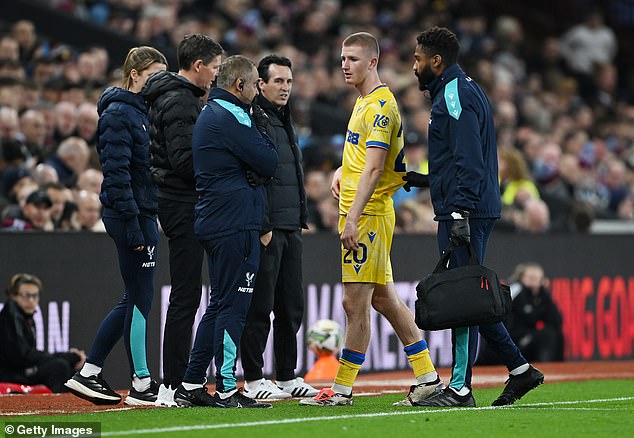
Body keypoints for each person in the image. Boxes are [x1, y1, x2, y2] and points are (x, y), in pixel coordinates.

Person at [300, 32, 442, 407]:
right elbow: (362, 158)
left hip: (369, 213)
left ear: (372, 62)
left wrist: (353, 218)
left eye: (352, 59)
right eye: (342, 59)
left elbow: (376, 168)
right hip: (367, 211)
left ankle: (342, 390)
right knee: (384, 299)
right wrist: (342, 171)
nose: (344, 65)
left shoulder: (380, 107)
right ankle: (428, 377)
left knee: (354, 302)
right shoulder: (364, 101)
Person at [405, 27, 543, 407]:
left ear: (436, 60)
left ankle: (461, 387)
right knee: (470, 297)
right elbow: (459, 160)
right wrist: (422, 179)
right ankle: (519, 370)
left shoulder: (453, 94)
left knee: (462, 298)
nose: (414, 67)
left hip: (464, 210)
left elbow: (469, 159)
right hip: (466, 204)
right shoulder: (460, 89)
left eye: (418, 59)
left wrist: (460, 209)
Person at [64, 46, 167, 406]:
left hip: (140, 212)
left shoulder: (141, 111)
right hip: (130, 215)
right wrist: (135, 225)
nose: (158, 83)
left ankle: (90, 372)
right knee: (141, 299)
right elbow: (118, 174)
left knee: (133, 298)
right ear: (135, 74)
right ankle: (141, 382)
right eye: (153, 75)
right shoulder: (120, 113)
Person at [173, 55, 278, 408]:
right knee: (234, 304)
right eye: (254, 86)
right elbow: (268, 160)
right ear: (240, 86)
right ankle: (229, 386)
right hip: (234, 222)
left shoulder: (212, 113)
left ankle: (190, 383)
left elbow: (258, 165)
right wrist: (259, 136)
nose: (257, 93)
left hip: (219, 218)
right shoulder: (231, 114)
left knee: (219, 304)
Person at [141, 34, 223, 407]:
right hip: (180, 201)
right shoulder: (178, 100)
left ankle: (181, 381)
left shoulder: (180, 97)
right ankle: (171, 383)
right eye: (215, 69)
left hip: (181, 200)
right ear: (198, 66)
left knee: (189, 293)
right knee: (186, 293)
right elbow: (183, 161)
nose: (216, 77)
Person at [240, 55, 318, 400]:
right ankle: (254, 379)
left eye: (288, 82)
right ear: (261, 84)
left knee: (291, 305)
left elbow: (291, 174)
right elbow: (253, 175)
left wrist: (301, 216)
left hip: (291, 226)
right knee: (260, 305)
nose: (285, 88)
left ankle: (287, 376)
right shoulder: (254, 118)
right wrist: (263, 223)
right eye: (278, 82)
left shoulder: (285, 119)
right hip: (268, 227)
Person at [0, 273, 86, 393]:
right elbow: (22, 355)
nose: (31, 300)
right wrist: (65, 357)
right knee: (59, 367)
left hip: (23, 369)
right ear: (13, 296)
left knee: (69, 368)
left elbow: (29, 355)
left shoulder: (27, 317)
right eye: (26, 295)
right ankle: (54, 408)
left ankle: (72, 408)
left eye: (35, 296)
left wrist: (67, 357)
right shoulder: (11, 314)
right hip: (12, 374)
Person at [507, 263, 563, 362]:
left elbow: (556, 320)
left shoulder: (542, 295)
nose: (534, 281)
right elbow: (503, 313)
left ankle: (555, 368)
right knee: (544, 337)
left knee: (554, 335)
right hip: (514, 338)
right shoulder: (516, 290)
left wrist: (544, 294)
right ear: (522, 277)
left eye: (537, 278)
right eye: (530, 278)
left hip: (530, 335)